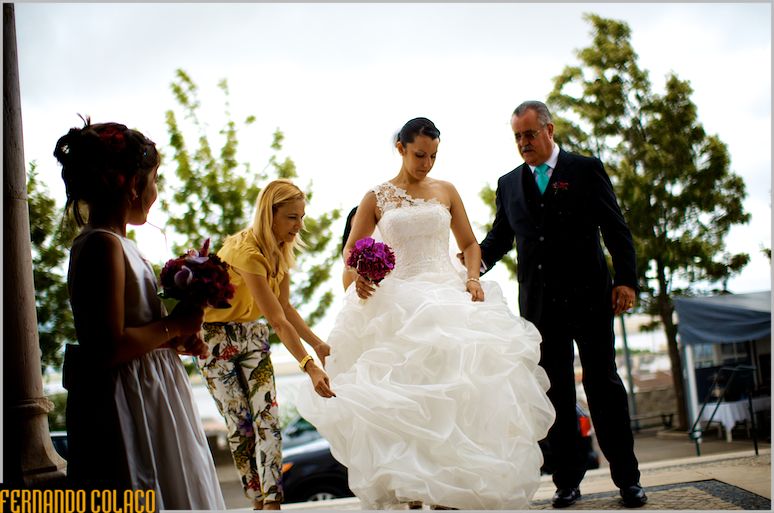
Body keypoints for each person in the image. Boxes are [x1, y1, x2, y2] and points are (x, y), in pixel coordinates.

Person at [295, 117, 555, 510]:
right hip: (396, 301)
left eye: (433, 155)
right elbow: (351, 252)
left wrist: (471, 278)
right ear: (400, 148)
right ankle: (415, 486)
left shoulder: (447, 191)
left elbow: (469, 245)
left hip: (447, 295)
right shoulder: (376, 197)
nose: (427, 163)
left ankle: (451, 490)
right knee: (405, 398)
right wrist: (362, 275)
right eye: (419, 155)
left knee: (459, 393)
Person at [475, 100, 647, 508]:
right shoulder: (508, 183)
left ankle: (628, 480)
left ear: (549, 130)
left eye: (529, 134)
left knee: (603, 386)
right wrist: (467, 270)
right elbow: (499, 239)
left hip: (590, 298)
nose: (523, 143)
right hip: (539, 307)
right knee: (555, 396)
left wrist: (626, 280)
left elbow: (615, 227)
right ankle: (566, 482)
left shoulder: (585, 170)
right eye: (517, 136)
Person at [55, 119, 226, 510]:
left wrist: (172, 338)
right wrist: (175, 325)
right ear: (132, 185)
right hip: (126, 402)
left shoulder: (121, 245)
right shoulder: (101, 245)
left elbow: (131, 332)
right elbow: (107, 346)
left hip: (148, 390)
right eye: (154, 180)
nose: (155, 192)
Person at [197, 178, 336, 510]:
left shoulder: (281, 249)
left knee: (268, 420)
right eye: (292, 217)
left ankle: (273, 503)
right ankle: (257, 500)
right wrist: (309, 367)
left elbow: (285, 307)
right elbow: (277, 319)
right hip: (214, 339)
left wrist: (318, 344)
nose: (299, 226)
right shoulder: (245, 252)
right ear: (269, 214)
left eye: (301, 217)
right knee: (241, 425)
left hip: (251, 334)